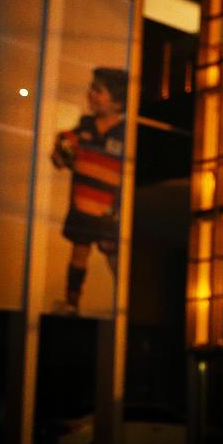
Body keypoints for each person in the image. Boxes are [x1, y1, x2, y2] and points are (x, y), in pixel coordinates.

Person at [51, 67, 128, 314]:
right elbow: (63, 157)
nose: (91, 95)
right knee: (78, 256)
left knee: (116, 258)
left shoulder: (125, 133)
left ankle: (125, 304)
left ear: (117, 101)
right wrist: (62, 149)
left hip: (109, 211)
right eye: (91, 90)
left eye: (98, 91)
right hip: (82, 206)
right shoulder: (84, 126)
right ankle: (72, 302)